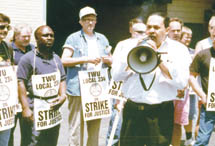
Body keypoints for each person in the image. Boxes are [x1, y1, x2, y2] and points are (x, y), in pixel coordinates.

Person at [112, 12, 191, 146]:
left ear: (166, 30)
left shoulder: (178, 49)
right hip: (133, 111)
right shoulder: (127, 46)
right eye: (149, 27)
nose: (151, 31)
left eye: (156, 27)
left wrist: (158, 60)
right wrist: (132, 52)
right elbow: (116, 75)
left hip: (160, 113)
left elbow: (182, 82)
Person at [61, 6, 112, 146]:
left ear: (96, 21)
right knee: (76, 128)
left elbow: (111, 60)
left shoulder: (102, 39)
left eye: (92, 19)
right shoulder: (73, 38)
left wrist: (107, 59)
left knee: (95, 128)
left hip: (97, 88)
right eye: (86, 20)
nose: (90, 23)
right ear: (80, 22)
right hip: (78, 88)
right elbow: (63, 60)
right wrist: (86, 59)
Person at [17, 25, 67, 146]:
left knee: (51, 141)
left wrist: (63, 95)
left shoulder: (56, 58)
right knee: (32, 142)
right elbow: (20, 82)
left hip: (52, 110)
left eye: (51, 35)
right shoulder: (27, 59)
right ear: (37, 39)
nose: (49, 38)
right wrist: (25, 108)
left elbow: (62, 79)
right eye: (45, 35)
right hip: (34, 109)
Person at [106, 17, 146, 146]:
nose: (141, 35)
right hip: (122, 86)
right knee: (116, 121)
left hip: (139, 91)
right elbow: (116, 71)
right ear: (131, 30)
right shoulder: (123, 44)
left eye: (143, 32)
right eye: (138, 32)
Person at [8, 23, 35, 146]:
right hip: (12, 97)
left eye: (29, 36)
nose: (27, 39)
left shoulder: (33, 49)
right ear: (16, 36)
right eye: (24, 36)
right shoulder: (8, 49)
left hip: (28, 97)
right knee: (8, 132)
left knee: (28, 133)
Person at [166, 17, 191, 146]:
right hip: (164, 91)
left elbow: (188, 72)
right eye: (173, 30)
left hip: (180, 92)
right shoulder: (162, 47)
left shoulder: (183, 49)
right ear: (167, 30)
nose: (176, 33)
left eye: (178, 30)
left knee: (177, 123)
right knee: (162, 122)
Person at [180, 26, 197, 146]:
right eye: (186, 37)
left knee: (190, 114)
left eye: (190, 37)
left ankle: (188, 138)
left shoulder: (192, 51)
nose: (188, 39)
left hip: (190, 89)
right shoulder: (175, 50)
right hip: (178, 89)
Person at [0, 13, 14, 146]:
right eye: (1, 27)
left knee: (4, 141)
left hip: (5, 105)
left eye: (7, 28)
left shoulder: (7, 47)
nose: (5, 30)